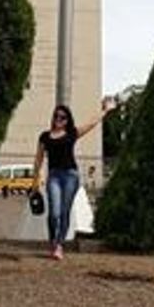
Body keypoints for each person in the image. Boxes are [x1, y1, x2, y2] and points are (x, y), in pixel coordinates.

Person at [33, 100, 112, 260]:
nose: (59, 119)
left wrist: (105, 111)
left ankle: (59, 245)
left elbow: (91, 124)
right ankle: (53, 241)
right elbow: (38, 159)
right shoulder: (45, 136)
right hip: (54, 176)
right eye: (56, 116)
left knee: (64, 212)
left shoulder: (71, 134)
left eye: (62, 117)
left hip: (70, 176)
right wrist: (35, 180)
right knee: (54, 213)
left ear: (67, 120)